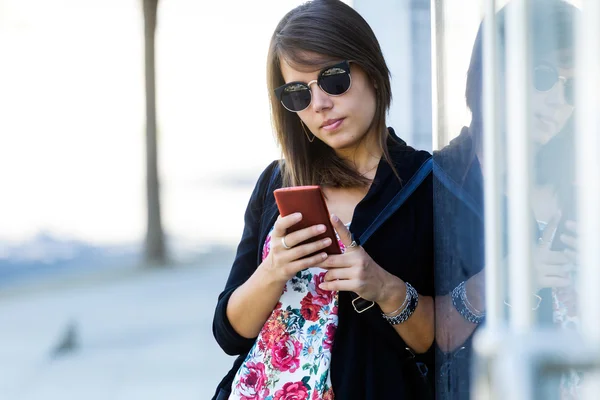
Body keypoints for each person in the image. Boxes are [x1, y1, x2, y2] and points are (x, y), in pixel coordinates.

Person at [212, 1, 435, 399]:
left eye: (334, 79)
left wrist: (385, 288)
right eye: (298, 93)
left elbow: (441, 340)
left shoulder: (425, 185)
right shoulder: (278, 182)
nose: (319, 104)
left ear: (372, 70)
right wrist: (274, 269)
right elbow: (229, 333)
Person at [433, 1, 580, 399]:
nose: (558, 103)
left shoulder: (578, 190)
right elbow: (427, 337)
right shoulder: (437, 181)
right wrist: (510, 276)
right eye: (544, 76)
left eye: (574, 87)